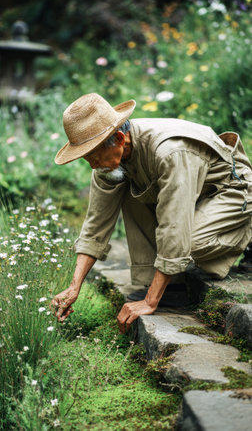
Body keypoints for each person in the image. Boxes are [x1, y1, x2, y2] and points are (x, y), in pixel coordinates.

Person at [51, 93, 252, 333]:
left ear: (118, 138)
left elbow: (174, 228)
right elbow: (96, 225)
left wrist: (149, 302)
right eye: (86, 158)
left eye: (94, 155)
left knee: (189, 244)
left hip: (231, 190)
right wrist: (74, 287)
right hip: (194, 195)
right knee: (127, 188)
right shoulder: (112, 160)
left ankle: (246, 231)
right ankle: (171, 288)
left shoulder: (170, 152)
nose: (92, 165)